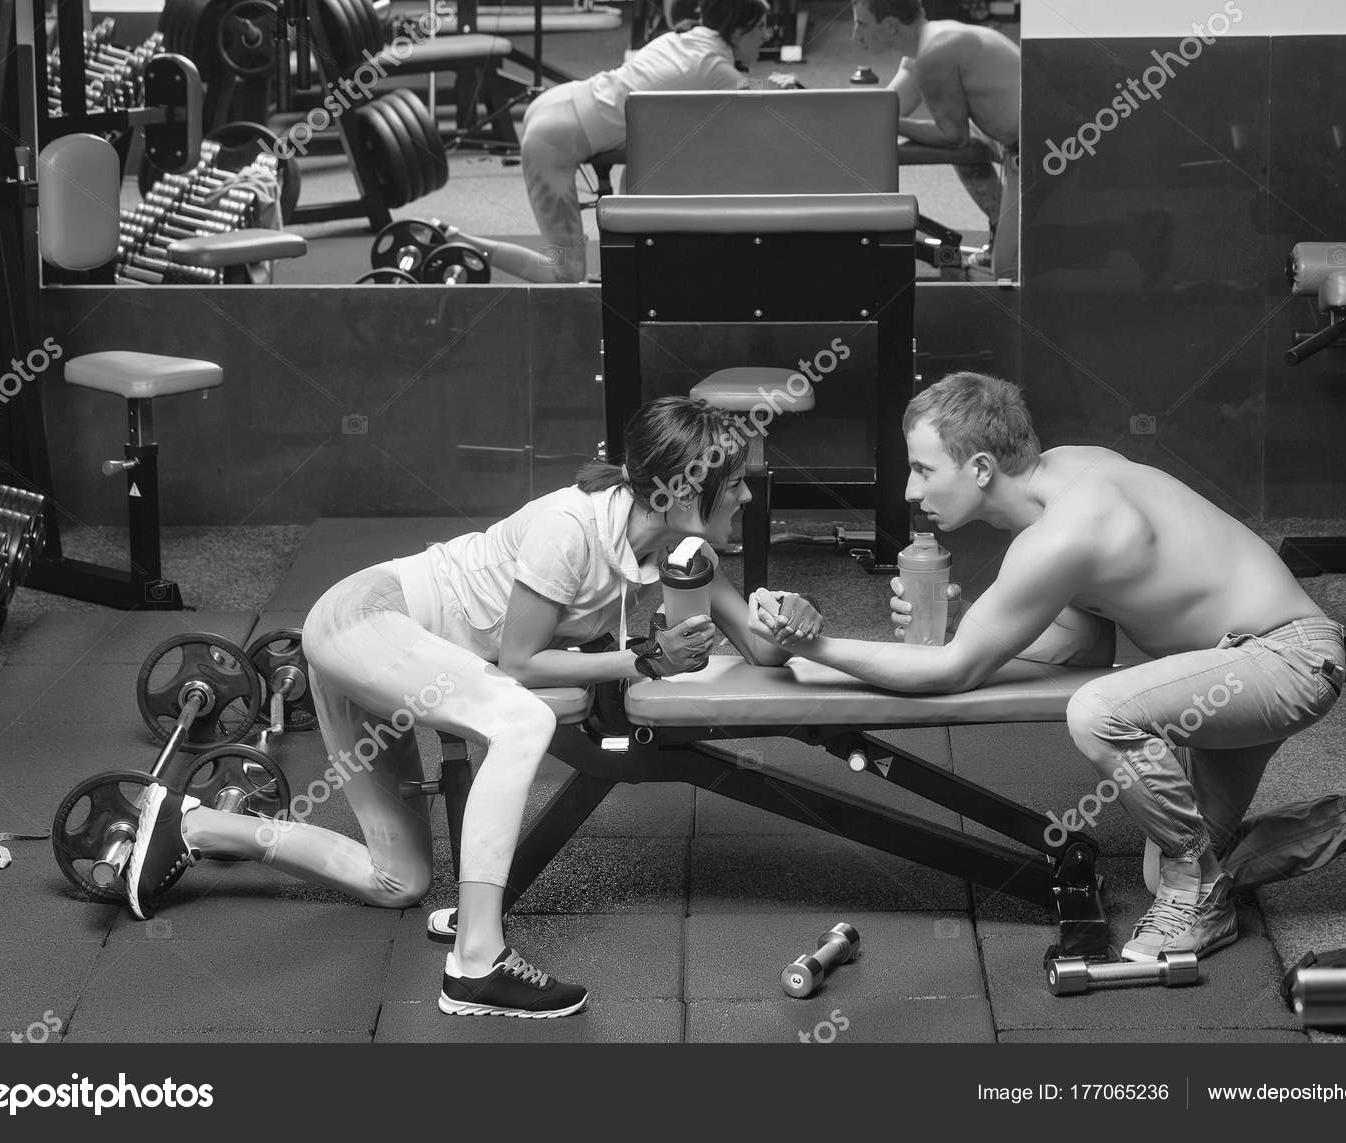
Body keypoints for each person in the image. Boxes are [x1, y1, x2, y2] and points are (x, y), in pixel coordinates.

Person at [123, 396, 824, 1017]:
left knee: (399, 881)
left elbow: (762, 652)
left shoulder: (683, 549)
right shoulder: (570, 528)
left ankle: (195, 824)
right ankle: (477, 963)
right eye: (735, 485)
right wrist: (647, 658)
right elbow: (520, 661)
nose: (747, 499)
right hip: (362, 619)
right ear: (683, 490)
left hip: (388, 664)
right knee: (523, 717)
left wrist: (794, 619)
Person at [747, 372, 1346, 961]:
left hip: (1287, 658)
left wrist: (815, 646)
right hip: (1240, 663)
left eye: (923, 469)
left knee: (1098, 712)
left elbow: (956, 672)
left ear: (981, 468)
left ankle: (1196, 898)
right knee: (1186, 867)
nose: (910, 491)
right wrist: (967, 632)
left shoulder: (1063, 535)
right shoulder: (1069, 473)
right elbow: (1079, 641)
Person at [441, 0, 800, 284]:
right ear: (737, 31)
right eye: (761, 28)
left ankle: (639, 259)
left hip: (560, 103)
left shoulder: (683, 38)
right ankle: (458, 241)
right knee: (565, 272)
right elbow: (761, 96)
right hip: (553, 140)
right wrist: (783, 85)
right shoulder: (713, 68)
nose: (766, 36)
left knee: (660, 144)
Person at [850, 0, 1020, 281]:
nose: (854, 35)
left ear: (890, 25)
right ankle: (1000, 222)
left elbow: (952, 137)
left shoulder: (934, 53)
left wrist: (893, 124)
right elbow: (883, 110)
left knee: (1006, 270)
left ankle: (1017, 237)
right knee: (968, 143)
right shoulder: (923, 47)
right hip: (1008, 136)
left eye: (861, 24)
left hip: (1044, 147)